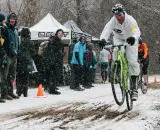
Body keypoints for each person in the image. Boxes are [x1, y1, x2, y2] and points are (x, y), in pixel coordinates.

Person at [100, 4, 141, 101]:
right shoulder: (113, 21)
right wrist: (103, 39)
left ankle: (134, 89)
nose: (118, 17)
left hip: (130, 39)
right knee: (116, 51)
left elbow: (136, 31)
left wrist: (134, 38)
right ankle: (117, 72)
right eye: (116, 15)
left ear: (123, 13)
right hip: (118, 39)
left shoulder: (130, 20)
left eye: (119, 14)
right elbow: (107, 30)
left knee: (132, 61)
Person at [3, 12, 19, 99]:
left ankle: (10, 92)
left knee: (12, 75)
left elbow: (17, 42)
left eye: (14, 19)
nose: (12, 21)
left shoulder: (15, 30)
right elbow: (5, 43)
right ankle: (4, 93)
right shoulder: (5, 29)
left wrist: (17, 52)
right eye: (11, 19)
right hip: (7, 55)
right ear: (8, 20)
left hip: (14, 56)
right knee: (5, 75)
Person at [43, 29, 64, 94]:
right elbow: (51, 52)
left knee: (52, 75)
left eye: (61, 33)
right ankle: (52, 90)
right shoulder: (54, 41)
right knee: (53, 76)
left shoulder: (58, 41)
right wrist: (53, 61)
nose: (60, 34)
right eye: (59, 33)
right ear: (56, 34)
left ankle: (50, 87)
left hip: (54, 61)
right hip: (53, 62)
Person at [16, 27, 35, 97]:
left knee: (19, 77)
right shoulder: (30, 42)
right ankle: (25, 92)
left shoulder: (18, 40)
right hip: (27, 62)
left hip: (19, 61)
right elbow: (33, 52)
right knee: (26, 77)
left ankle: (19, 91)